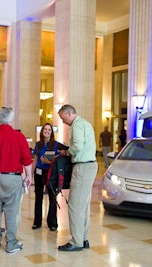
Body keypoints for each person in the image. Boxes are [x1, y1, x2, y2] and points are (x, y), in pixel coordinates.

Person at [0, 107, 32, 253]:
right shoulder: (18, 137)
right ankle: (11, 244)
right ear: (10, 119)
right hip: (12, 178)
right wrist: (29, 176)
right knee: (11, 212)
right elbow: (27, 160)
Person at [57, 104, 97, 252]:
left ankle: (76, 241)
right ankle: (83, 238)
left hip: (82, 167)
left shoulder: (77, 125)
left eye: (62, 118)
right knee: (83, 206)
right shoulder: (85, 123)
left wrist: (67, 152)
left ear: (68, 113)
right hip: (89, 166)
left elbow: (78, 147)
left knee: (74, 205)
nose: (63, 122)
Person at [31, 123, 60, 232]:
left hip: (51, 173)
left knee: (52, 197)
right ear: (42, 131)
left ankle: (52, 222)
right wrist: (30, 173)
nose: (47, 131)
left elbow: (58, 159)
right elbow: (35, 159)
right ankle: (37, 222)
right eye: (45, 129)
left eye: (49, 130)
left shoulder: (56, 145)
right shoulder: (38, 144)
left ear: (51, 132)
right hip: (38, 172)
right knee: (38, 197)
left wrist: (48, 161)